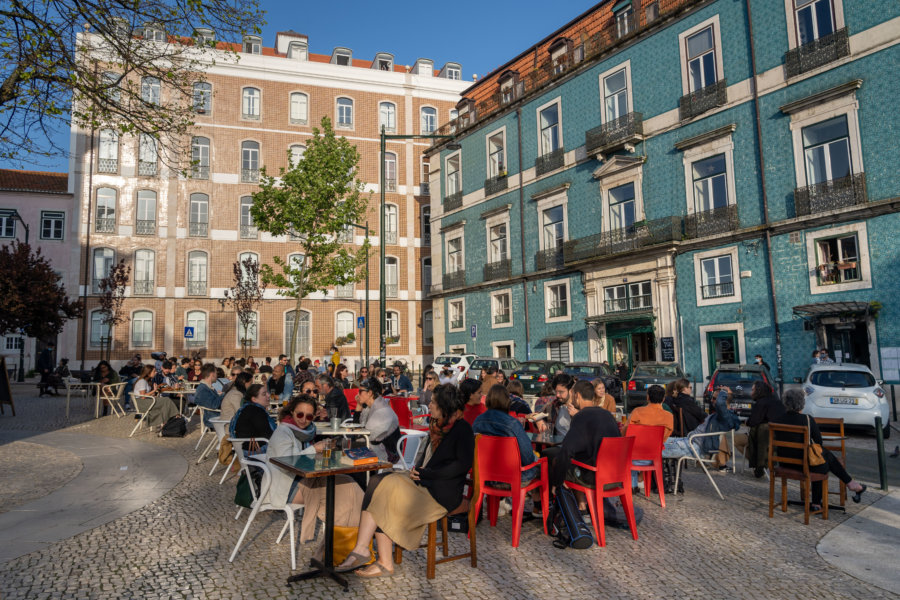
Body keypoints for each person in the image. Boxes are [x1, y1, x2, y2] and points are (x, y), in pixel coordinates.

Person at [338, 384, 474, 577]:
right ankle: (364, 550)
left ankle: (379, 560)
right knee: (378, 481)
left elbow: (461, 465)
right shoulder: (436, 426)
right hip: (425, 482)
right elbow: (428, 459)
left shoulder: (462, 429)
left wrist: (426, 474)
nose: (429, 404)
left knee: (385, 486)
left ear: (444, 405)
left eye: (434, 401)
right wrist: (418, 470)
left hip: (442, 491)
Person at [266, 396, 364, 547]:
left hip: (304, 479)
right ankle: (342, 544)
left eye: (309, 416)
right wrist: (314, 449)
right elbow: (287, 461)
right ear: (291, 412)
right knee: (342, 494)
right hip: (286, 486)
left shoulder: (306, 432)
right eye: (300, 414)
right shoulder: (283, 432)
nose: (303, 419)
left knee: (350, 483)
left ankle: (356, 537)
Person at [772, 389, 866, 511]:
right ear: (802, 403)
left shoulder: (777, 420)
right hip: (803, 464)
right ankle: (824, 498)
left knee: (823, 458)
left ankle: (848, 485)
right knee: (822, 461)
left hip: (785, 463)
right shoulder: (807, 419)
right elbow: (818, 442)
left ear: (785, 403)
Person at [548, 380, 620, 492]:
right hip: (616, 475)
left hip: (594, 477)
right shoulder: (607, 414)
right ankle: (582, 505)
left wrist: (556, 482)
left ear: (577, 396)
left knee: (558, 463)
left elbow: (567, 450)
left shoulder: (581, 416)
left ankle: (569, 506)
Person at [472, 384, 539, 490]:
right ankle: (541, 505)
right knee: (541, 464)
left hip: (485, 477)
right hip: (512, 479)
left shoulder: (477, 421)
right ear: (507, 401)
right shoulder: (512, 423)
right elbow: (527, 457)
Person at [626, 385, 673, 488]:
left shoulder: (637, 412)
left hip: (632, 456)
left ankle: (631, 485)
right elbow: (664, 438)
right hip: (653, 457)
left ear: (647, 397)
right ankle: (637, 481)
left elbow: (626, 433)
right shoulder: (669, 417)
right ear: (663, 399)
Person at [353, 378, 401, 462]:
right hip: (378, 448)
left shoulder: (380, 411)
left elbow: (361, 436)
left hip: (388, 456)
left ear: (370, 393)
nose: (358, 394)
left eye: (360, 391)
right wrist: (359, 405)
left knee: (349, 450)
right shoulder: (371, 407)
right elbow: (358, 429)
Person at [745, 381, 785, 477]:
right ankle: (760, 464)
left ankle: (758, 464)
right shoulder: (777, 401)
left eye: (753, 390)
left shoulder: (761, 403)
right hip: (780, 436)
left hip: (767, 437)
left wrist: (747, 422)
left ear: (758, 391)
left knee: (745, 438)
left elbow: (753, 421)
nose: (751, 392)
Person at [231, 383, 277, 453]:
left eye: (267, 393)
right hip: (254, 451)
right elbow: (268, 434)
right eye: (264, 394)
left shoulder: (246, 408)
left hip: (243, 449)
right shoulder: (256, 411)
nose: (268, 395)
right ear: (254, 399)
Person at [194, 363, 225, 429]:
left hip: (217, 415)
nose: (217, 375)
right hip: (214, 419)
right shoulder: (202, 389)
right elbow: (214, 405)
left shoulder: (206, 387)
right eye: (216, 373)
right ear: (212, 374)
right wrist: (223, 395)